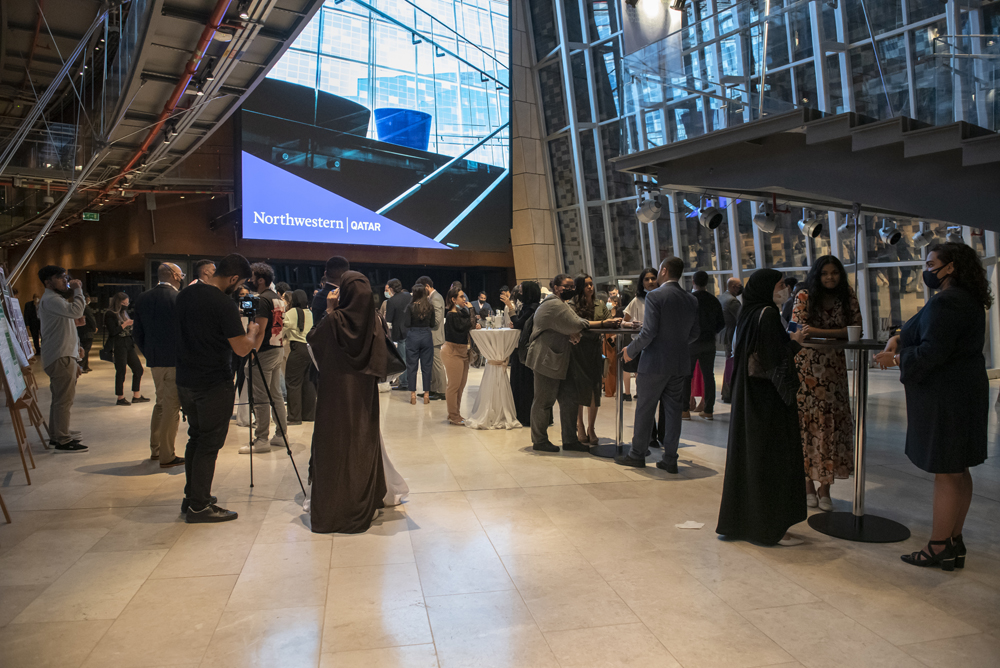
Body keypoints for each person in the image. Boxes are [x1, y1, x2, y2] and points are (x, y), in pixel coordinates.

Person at [874, 243, 990, 571]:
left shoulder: (947, 302)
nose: (926, 270)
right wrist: (900, 338)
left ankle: (938, 545)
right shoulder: (966, 299)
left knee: (947, 470)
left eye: (930, 263)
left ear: (950, 267)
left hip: (946, 395)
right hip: (965, 389)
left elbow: (932, 352)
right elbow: (929, 331)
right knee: (959, 468)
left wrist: (896, 359)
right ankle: (953, 540)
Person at [716, 268, 810, 546]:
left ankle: (746, 522)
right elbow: (773, 360)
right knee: (771, 460)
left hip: (750, 398)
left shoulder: (749, 313)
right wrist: (794, 344)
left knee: (751, 459)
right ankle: (770, 527)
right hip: (768, 401)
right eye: (780, 284)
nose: (784, 289)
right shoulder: (767, 314)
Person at [175, 253, 258, 523]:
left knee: (196, 437)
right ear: (233, 278)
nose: (239, 287)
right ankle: (200, 506)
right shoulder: (223, 304)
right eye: (240, 282)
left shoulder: (185, 295)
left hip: (185, 378)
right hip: (213, 382)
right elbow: (241, 348)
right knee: (209, 443)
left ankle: (192, 497)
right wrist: (253, 332)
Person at [307, 269, 388, 534]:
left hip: (335, 395)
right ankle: (364, 501)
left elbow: (313, 341)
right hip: (363, 396)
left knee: (334, 447)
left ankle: (334, 509)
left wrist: (330, 310)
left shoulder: (334, 320)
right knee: (362, 444)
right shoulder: (375, 321)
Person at [792, 255, 863, 511]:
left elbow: (856, 329)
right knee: (807, 428)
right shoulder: (804, 296)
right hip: (807, 370)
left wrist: (818, 332)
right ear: (816, 275)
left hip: (834, 371)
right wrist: (838, 333)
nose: (830, 277)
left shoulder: (847, 296)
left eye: (834, 272)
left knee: (830, 429)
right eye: (824, 273)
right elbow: (799, 329)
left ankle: (825, 488)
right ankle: (807, 486)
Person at [614, 257, 698, 471]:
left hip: (654, 363)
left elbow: (648, 332)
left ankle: (637, 454)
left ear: (664, 270)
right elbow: (695, 333)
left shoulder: (655, 296)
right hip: (679, 363)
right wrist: (675, 344)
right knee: (673, 412)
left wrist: (630, 351)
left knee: (645, 408)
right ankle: (670, 459)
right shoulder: (691, 299)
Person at [526, 274, 592, 452]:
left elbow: (567, 325)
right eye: (566, 286)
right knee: (544, 401)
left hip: (560, 359)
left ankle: (570, 440)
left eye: (572, 286)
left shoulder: (562, 303)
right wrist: (604, 322)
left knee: (570, 398)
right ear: (555, 287)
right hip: (546, 359)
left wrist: (571, 331)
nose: (570, 289)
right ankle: (539, 440)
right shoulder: (554, 304)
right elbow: (576, 323)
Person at [133, 262, 186, 468]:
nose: (181, 278)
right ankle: (167, 455)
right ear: (174, 275)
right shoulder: (178, 298)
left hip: (155, 360)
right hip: (174, 360)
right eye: (180, 274)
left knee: (161, 403)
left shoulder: (143, 297)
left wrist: (150, 353)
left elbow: (138, 333)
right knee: (172, 407)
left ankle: (156, 449)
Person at [37, 266, 88, 452]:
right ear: (48, 282)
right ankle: (62, 440)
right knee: (64, 400)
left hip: (62, 354)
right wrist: (78, 289)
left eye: (65, 277)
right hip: (60, 356)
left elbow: (68, 326)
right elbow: (77, 311)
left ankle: (57, 433)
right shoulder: (51, 299)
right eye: (60, 277)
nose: (65, 280)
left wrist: (77, 348)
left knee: (60, 398)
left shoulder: (54, 300)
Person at [240, 262, 288, 454]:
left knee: (261, 398)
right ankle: (281, 435)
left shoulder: (262, 300)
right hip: (277, 349)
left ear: (260, 280)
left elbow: (259, 331)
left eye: (252, 277)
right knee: (276, 395)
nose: (249, 280)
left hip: (264, 352)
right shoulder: (277, 298)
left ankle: (261, 439)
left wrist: (252, 353)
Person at [570, 274, 617, 444]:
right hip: (578, 349)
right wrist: (602, 324)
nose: (590, 287)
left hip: (595, 349)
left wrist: (610, 324)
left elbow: (610, 321)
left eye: (591, 284)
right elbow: (576, 324)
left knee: (594, 389)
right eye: (586, 285)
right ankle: (580, 425)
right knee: (579, 388)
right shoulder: (572, 305)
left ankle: (591, 427)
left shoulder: (600, 304)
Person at [682, 271, 726, 420]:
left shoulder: (689, 300)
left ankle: (685, 410)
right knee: (709, 376)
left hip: (692, 343)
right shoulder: (713, 300)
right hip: (709, 342)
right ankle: (708, 410)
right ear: (707, 283)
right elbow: (721, 323)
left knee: (686, 376)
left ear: (693, 281)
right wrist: (711, 331)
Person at [443, 287, 480, 425]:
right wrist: (471, 310)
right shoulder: (451, 315)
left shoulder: (461, 312)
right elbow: (464, 326)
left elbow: (470, 323)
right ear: (453, 300)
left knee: (461, 385)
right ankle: (453, 415)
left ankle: (456, 413)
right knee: (454, 385)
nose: (464, 299)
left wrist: (470, 315)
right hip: (452, 351)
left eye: (464, 296)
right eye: (461, 297)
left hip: (463, 351)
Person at [104, 292, 148, 406]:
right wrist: (125, 324)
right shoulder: (110, 314)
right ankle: (120, 397)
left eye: (127, 303)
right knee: (121, 371)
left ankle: (136, 395)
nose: (126, 305)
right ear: (118, 303)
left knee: (138, 369)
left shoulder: (124, 313)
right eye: (124, 303)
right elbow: (113, 331)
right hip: (118, 344)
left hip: (128, 342)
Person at [621, 268, 658, 401]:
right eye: (647, 279)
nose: (650, 281)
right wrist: (632, 324)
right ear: (642, 282)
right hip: (641, 344)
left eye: (653, 278)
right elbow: (623, 322)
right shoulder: (637, 300)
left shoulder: (662, 297)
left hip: (659, 344)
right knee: (642, 379)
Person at [510, 281, 541, 426]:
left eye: (521, 291)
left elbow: (518, 323)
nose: (519, 294)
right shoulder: (529, 307)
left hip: (527, 349)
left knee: (525, 383)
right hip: (525, 347)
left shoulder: (532, 308)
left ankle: (526, 415)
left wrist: (510, 310)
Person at [283, 289, 316, 425]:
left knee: (293, 382)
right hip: (311, 350)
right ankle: (309, 415)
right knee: (309, 383)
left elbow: (282, 329)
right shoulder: (310, 313)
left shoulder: (291, 313)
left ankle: (294, 417)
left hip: (298, 349)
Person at [404, 283, 437, 404]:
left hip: (413, 335)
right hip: (426, 336)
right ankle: (426, 395)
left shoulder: (410, 306)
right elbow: (433, 324)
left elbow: (407, 323)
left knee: (412, 366)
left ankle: (413, 395)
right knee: (427, 366)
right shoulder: (430, 307)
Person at [415, 276, 447, 401]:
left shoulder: (436, 298)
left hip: (434, 337)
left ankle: (442, 391)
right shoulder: (432, 298)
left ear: (427, 286)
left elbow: (437, 320)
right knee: (431, 366)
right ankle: (433, 389)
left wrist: (422, 320)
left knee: (437, 365)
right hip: (430, 337)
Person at [719, 277, 743, 403]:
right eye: (739, 286)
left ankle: (726, 392)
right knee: (732, 364)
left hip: (725, 334)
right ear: (733, 287)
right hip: (732, 335)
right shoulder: (733, 301)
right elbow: (741, 318)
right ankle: (729, 393)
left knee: (728, 363)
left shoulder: (722, 297)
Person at [383, 279, 410, 391]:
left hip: (400, 333)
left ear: (391, 288)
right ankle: (410, 381)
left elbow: (389, 321)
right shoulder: (408, 296)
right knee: (411, 358)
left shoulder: (391, 301)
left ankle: (404, 383)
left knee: (403, 358)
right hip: (411, 330)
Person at [312, 256, 350, 325]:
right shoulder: (350, 296)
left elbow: (317, 328)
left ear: (325, 274)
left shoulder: (319, 297)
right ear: (346, 276)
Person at [603, 293, 623, 398]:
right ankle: (606, 387)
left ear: (615, 303)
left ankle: (612, 389)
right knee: (606, 363)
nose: (608, 303)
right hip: (606, 339)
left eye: (610, 301)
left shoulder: (619, 313)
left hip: (614, 340)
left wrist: (615, 336)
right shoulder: (606, 313)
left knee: (612, 364)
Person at [76, 295, 97, 373]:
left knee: (85, 349)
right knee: (86, 349)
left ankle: (85, 366)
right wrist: (94, 328)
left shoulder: (78, 307)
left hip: (81, 331)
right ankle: (82, 366)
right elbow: (91, 319)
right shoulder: (86, 308)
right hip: (87, 331)